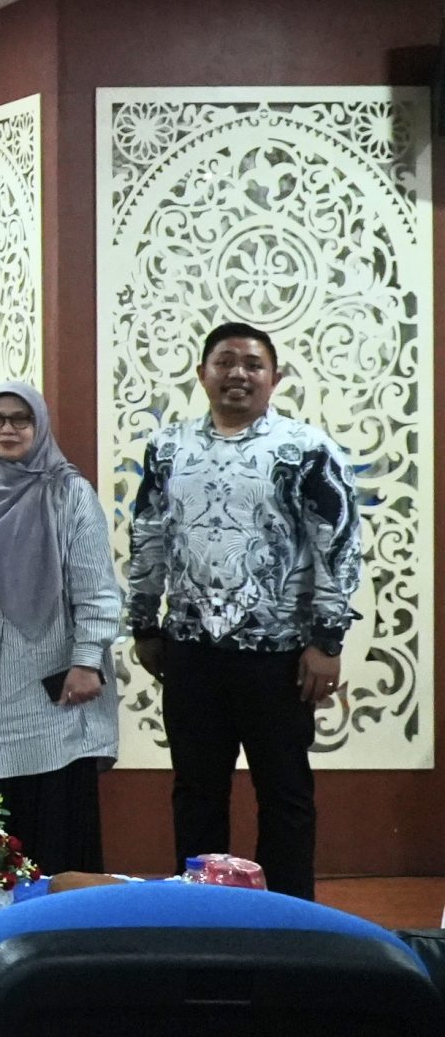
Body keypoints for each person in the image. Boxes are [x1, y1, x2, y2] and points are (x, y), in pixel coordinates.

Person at [128, 322, 361, 901]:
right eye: (225, 361)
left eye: (253, 364)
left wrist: (326, 641)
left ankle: (289, 918)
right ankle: (201, 909)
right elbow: (148, 535)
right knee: (196, 791)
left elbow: (338, 547)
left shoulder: (306, 450)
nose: (238, 374)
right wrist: (144, 623)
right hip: (191, 650)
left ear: (274, 377)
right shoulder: (167, 448)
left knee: (284, 794)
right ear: (202, 373)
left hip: (278, 656)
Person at [0, 382, 121, 877]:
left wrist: (86, 660)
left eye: (20, 419)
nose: (7, 429)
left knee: (56, 806)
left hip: (55, 674)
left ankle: (64, 917)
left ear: (39, 425)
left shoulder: (68, 493)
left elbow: (97, 588)